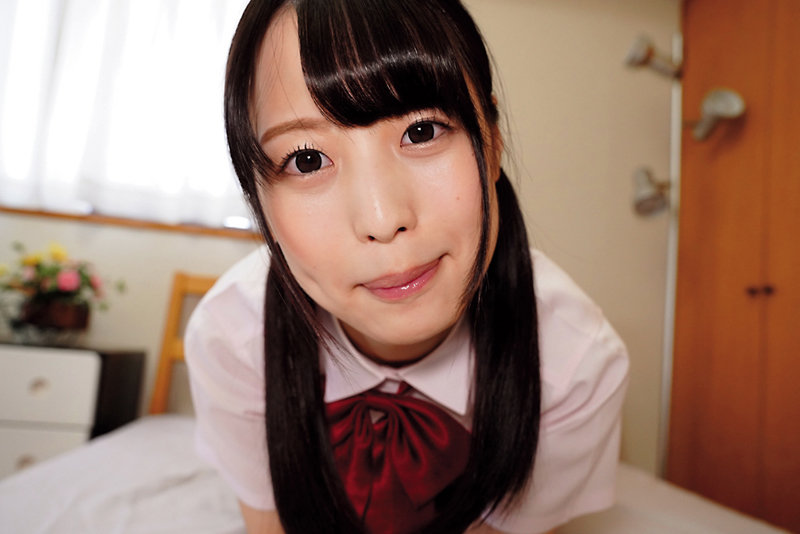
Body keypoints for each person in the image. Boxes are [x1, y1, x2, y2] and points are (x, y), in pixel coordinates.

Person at [186, 1, 629, 533]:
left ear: (491, 142)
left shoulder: (574, 364)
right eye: (306, 159)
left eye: (421, 131)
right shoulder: (233, 337)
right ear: (256, 198)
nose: (382, 218)